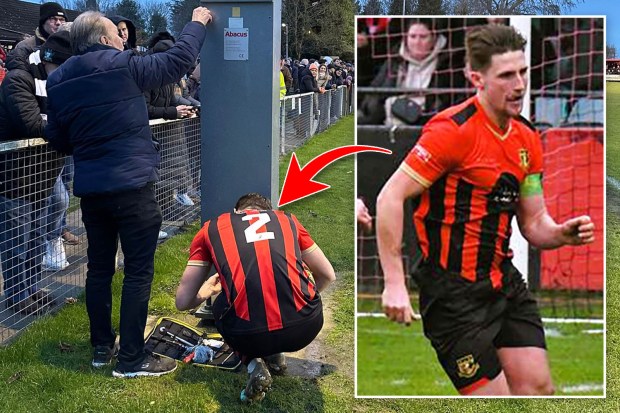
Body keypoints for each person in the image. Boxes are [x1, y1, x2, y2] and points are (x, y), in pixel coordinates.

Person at [376, 24, 595, 396]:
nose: (520, 84)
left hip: (502, 281)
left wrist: (561, 234)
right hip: (452, 295)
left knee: (538, 390)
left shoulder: (528, 138)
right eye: (507, 75)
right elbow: (390, 197)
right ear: (476, 78)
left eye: (523, 72)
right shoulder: (450, 132)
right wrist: (394, 282)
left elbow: (534, 222)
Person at [45, 8, 213, 378]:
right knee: (138, 272)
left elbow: (56, 137)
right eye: (117, 36)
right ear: (105, 40)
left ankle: (101, 348)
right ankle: (132, 359)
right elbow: (178, 60)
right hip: (133, 187)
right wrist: (197, 22)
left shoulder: (58, 82)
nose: (125, 40)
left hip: (92, 192)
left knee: (99, 270)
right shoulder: (124, 65)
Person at [175, 193, 336, 403]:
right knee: (282, 294)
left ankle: (253, 363)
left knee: (221, 305)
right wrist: (306, 299)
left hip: (248, 334)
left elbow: (182, 302)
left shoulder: (211, 228)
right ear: (269, 211)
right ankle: (276, 356)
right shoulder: (287, 220)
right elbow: (328, 275)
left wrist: (206, 291)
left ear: (236, 212)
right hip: (305, 328)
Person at [0, 30, 73, 314]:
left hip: (43, 175)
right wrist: (68, 131)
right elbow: (31, 124)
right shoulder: (19, 80)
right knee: (16, 242)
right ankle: (16, 296)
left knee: (34, 240)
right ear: (50, 60)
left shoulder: (57, 83)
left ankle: (31, 288)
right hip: (15, 178)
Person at [358, 18, 466, 126]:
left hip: (428, 125)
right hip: (387, 121)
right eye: (413, 36)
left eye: (423, 37)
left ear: (434, 38)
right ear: (406, 38)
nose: (417, 42)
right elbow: (373, 95)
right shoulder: (395, 60)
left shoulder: (449, 63)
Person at [7, 2, 68, 67]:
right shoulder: (24, 47)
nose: (58, 23)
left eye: (62, 19)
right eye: (53, 19)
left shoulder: (71, 46)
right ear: (43, 22)